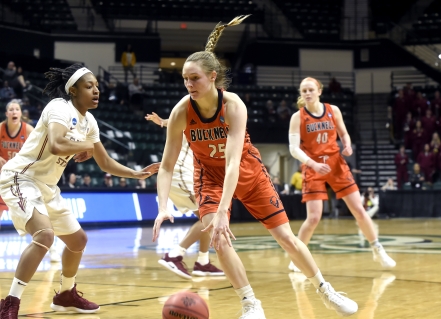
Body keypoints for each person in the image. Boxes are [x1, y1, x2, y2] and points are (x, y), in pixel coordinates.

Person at [151, 16, 358, 318]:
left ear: (212, 76)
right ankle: (250, 303)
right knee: (219, 238)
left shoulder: (233, 105)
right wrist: (162, 205)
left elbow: (233, 161)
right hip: (209, 176)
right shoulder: (182, 110)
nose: (188, 84)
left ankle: (327, 291)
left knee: (286, 237)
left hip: (246, 171)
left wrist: (223, 210)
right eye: (184, 79)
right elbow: (166, 166)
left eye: (194, 78)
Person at [0, 63, 159, 318]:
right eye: (89, 86)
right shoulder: (59, 107)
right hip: (21, 177)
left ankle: (65, 294)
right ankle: (10, 302)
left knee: (78, 241)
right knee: (44, 236)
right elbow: (55, 144)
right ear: (73, 90)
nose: (96, 90)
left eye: (97, 86)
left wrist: (135, 173)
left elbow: (105, 162)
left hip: (47, 187)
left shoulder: (90, 123)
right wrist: (83, 145)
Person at [288, 76, 395, 273]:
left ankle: (377, 249)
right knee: (313, 218)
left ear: (319, 91)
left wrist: (346, 145)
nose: (308, 93)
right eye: (304, 91)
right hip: (313, 167)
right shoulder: (298, 117)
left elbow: (344, 134)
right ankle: (297, 258)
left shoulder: (333, 110)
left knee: (359, 210)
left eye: (311, 89)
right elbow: (294, 149)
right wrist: (313, 164)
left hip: (336, 164)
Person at [145, 113, 225, 280]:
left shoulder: (207, 115)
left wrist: (162, 122)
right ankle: (174, 255)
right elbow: (180, 119)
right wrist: (164, 122)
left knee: (206, 217)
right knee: (210, 217)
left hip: (188, 171)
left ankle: (202, 262)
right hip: (181, 171)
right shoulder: (199, 111)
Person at [0, 101, 61, 264]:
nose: (14, 111)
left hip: (22, 178)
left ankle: (52, 249)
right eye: (11, 109)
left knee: (35, 216)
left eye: (17, 109)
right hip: (4, 178)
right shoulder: (0, 129)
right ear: (7, 114)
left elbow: (41, 146)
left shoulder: (27, 130)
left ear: (21, 114)